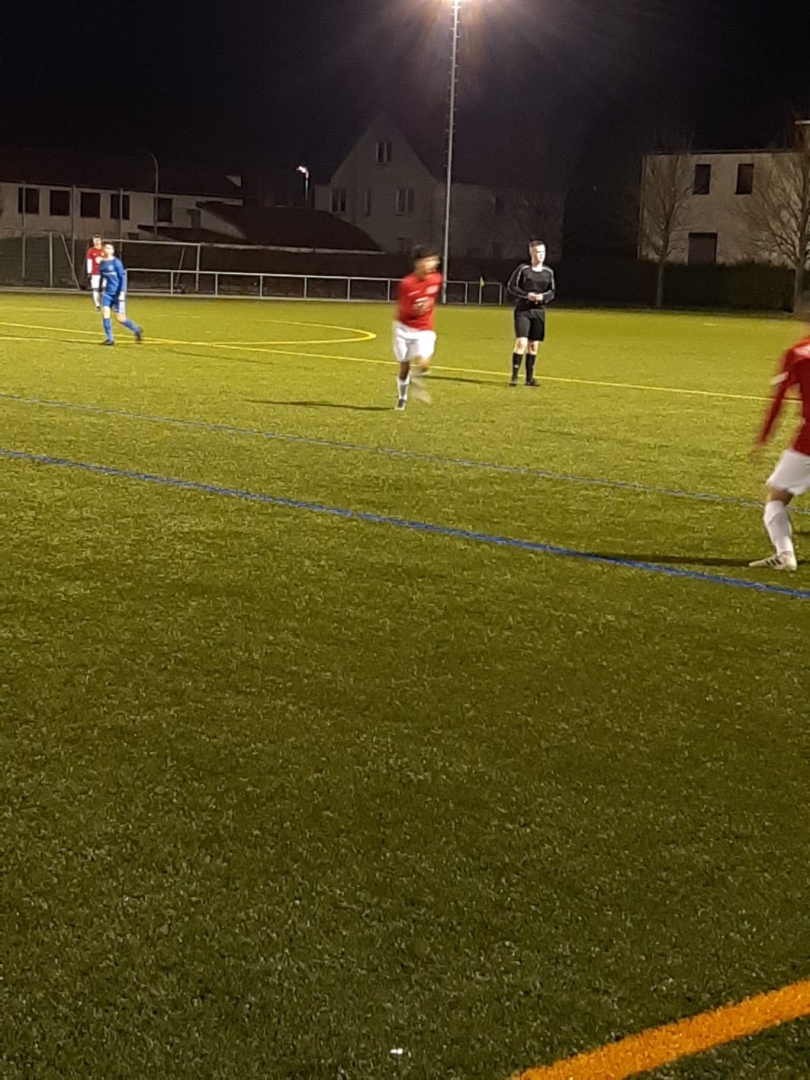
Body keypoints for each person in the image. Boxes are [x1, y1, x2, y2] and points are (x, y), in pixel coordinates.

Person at [749, 296, 810, 572]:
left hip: (808, 443)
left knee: (776, 498)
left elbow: (778, 402)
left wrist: (763, 438)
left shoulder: (797, 353)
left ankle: (785, 555)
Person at [393, 245, 443, 411]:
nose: (434, 263)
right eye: (430, 260)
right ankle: (402, 397)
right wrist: (417, 310)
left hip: (424, 329)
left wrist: (425, 309)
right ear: (419, 262)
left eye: (435, 260)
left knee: (424, 364)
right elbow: (404, 310)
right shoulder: (406, 284)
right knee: (404, 366)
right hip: (404, 329)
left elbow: (431, 296)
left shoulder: (436, 279)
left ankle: (416, 378)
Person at [507, 240, 556, 386]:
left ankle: (529, 378)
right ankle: (514, 377)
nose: (541, 255)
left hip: (539, 311)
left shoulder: (548, 272)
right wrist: (527, 295)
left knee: (534, 345)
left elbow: (552, 292)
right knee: (522, 342)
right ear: (531, 253)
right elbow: (512, 286)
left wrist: (543, 297)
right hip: (523, 311)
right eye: (538, 252)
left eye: (543, 252)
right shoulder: (523, 270)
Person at [99, 243, 143, 345]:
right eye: (105, 247)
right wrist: (100, 288)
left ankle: (137, 330)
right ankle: (110, 339)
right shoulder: (102, 263)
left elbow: (123, 278)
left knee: (120, 318)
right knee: (105, 312)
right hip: (108, 294)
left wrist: (122, 292)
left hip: (117, 294)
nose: (107, 249)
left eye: (109, 248)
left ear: (112, 250)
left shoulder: (116, 263)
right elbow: (102, 277)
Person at [85, 235, 105, 310]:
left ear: (101, 241)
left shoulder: (104, 250)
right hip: (95, 274)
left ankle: (105, 304)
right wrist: (89, 272)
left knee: (104, 289)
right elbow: (89, 261)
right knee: (96, 289)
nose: (96, 242)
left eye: (98, 240)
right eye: (95, 240)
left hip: (104, 273)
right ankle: (97, 305)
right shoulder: (91, 251)